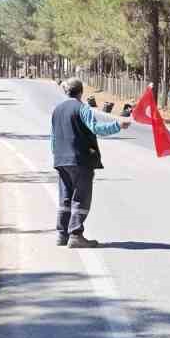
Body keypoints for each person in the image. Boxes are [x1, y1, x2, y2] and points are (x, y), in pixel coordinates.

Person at [51, 79, 129, 248]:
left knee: (65, 197)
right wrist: (117, 125)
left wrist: (57, 156)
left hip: (60, 160)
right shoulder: (82, 108)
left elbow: (53, 138)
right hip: (80, 160)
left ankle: (62, 234)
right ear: (81, 92)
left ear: (67, 92)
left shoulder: (57, 110)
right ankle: (76, 235)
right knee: (81, 197)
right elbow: (96, 128)